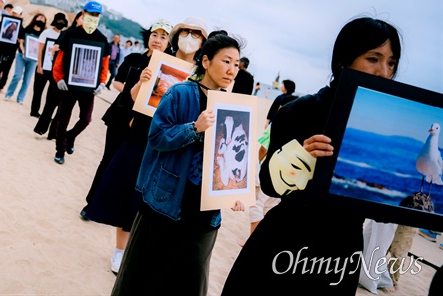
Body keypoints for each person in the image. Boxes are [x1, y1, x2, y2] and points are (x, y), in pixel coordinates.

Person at [221, 16, 403, 295]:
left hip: (342, 251)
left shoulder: (385, 126)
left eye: (391, 63)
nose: (383, 71)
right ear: (343, 61)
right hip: (287, 240)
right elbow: (269, 184)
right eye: (373, 58)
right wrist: (300, 156)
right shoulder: (302, 109)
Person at [111, 33, 242, 295]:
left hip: (205, 213)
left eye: (237, 64)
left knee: (189, 280)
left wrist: (235, 189)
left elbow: (232, 156)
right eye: (226, 61)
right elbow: (157, 137)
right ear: (205, 61)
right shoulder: (181, 93)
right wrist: (194, 128)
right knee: (145, 278)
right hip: (167, 202)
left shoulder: (233, 105)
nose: (232, 70)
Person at [84, 18, 211, 275]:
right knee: (127, 198)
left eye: (196, 35)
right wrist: (142, 82)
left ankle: (138, 255)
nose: (189, 38)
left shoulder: (203, 75)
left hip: (178, 145)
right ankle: (120, 252)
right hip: (141, 136)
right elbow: (131, 99)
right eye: (185, 32)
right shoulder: (158, 61)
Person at [52, 1, 110, 164]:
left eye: (96, 15)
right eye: (90, 14)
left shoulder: (102, 39)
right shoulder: (70, 34)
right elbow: (59, 59)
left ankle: (70, 137)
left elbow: (104, 64)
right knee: (63, 118)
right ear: (83, 14)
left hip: (88, 87)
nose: (93, 17)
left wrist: (102, 83)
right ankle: (60, 150)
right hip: (69, 85)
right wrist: (59, 78)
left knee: (86, 119)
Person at [33, 11, 83, 139]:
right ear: (77, 19)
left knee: (63, 109)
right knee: (50, 103)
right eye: (83, 17)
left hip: (73, 78)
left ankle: (53, 133)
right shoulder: (66, 34)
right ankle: (41, 128)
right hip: (59, 74)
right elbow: (54, 50)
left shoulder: (86, 38)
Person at [30, 12, 68, 118]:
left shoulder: (64, 35)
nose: (60, 23)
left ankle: (45, 114)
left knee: (51, 94)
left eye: (62, 21)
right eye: (58, 20)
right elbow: (40, 50)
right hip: (43, 67)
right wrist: (39, 65)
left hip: (54, 70)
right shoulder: (46, 33)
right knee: (38, 91)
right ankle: (34, 111)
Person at [5, 13, 47, 104]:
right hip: (21, 56)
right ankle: (9, 94)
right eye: (39, 18)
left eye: (43, 19)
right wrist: (23, 50)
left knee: (27, 80)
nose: (41, 20)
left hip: (33, 60)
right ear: (35, 18)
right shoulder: (27, 29)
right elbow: (21, 41)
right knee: (17, 76)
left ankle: (20, 98)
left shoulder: (43, 34)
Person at [0, 5, 23, 92]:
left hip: (11, 51)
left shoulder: (20, 27)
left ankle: (1, 87)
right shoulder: (4, 22)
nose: (14, 15)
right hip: (0, 48)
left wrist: (20, 40)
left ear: (20, 15)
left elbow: (22, 39)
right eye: (13, 13)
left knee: (6, 69)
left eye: (17, 14)